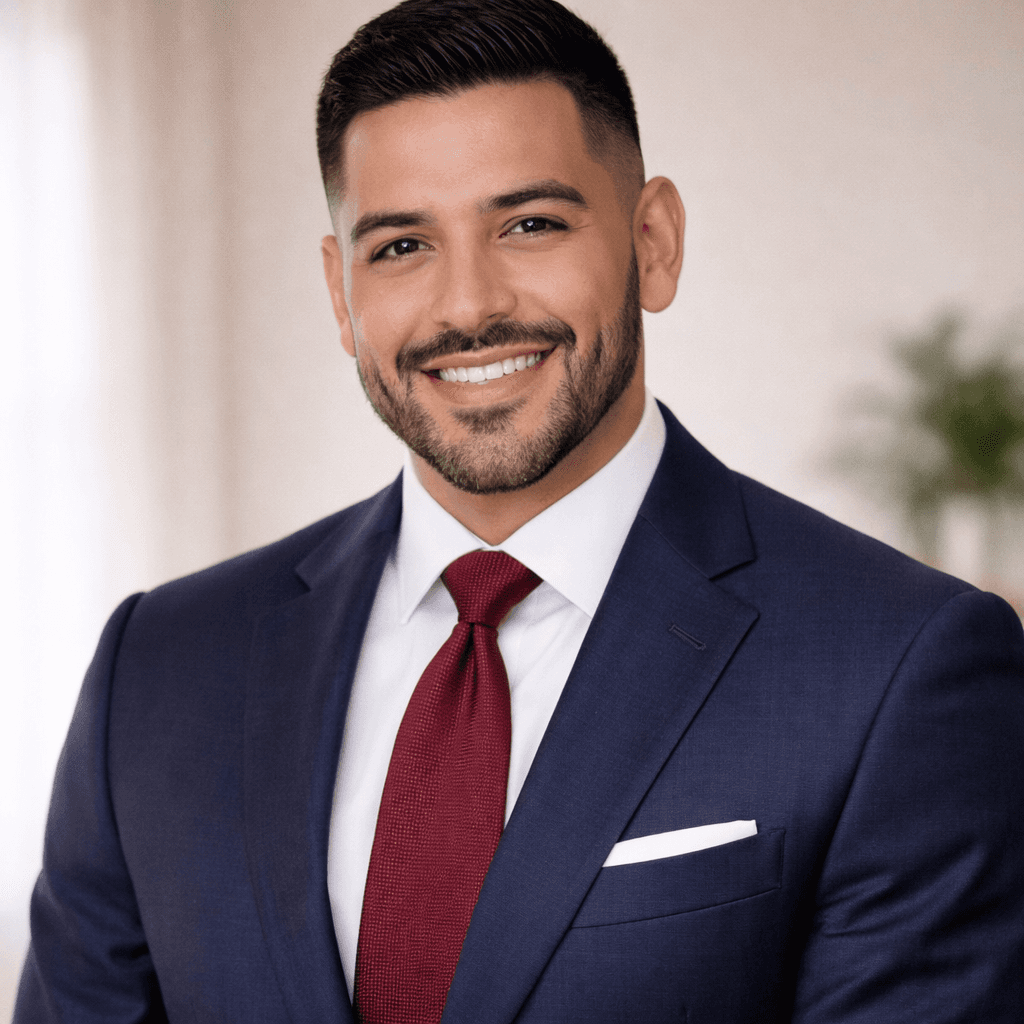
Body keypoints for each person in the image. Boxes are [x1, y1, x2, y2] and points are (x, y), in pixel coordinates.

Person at [15, 0, 1024, 1021]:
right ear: (340, 294)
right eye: (401, 246)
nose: (466, 305)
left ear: (654, 241)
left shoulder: (898, 668)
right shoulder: (158, 671)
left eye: (529, 224)